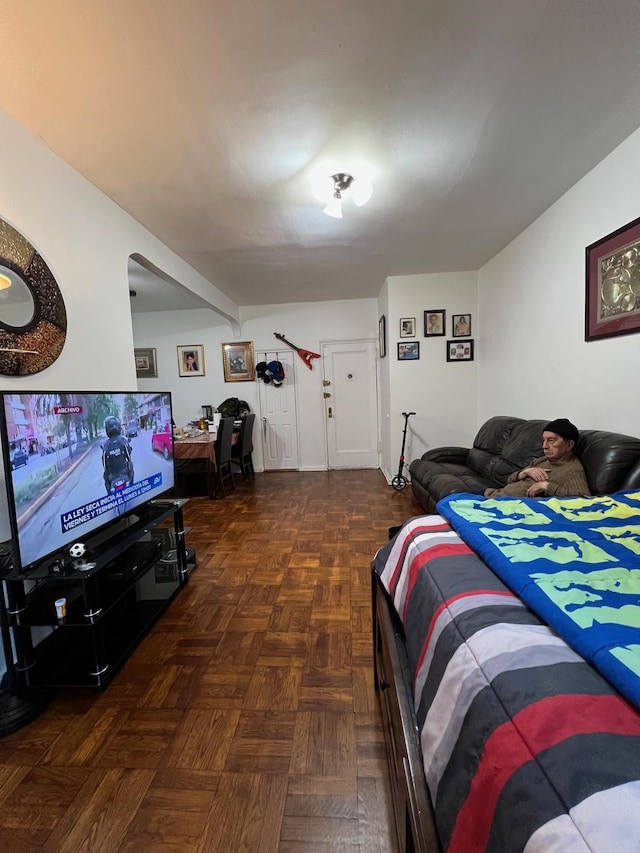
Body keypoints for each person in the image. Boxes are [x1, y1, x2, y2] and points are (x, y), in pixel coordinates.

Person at [484, 418, 590, 499]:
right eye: (544, 440)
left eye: (551, 440)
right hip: (493, 495)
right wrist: (523, 473)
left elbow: (585, 498)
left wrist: (547, 486)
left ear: (569, 445)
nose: (544, 446)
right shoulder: (543, 460)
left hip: (506, 505)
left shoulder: (572, 469)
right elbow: (509, 480)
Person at [101, 415, 134, 493]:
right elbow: (129, 456)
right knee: (131, 466)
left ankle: (110, 497)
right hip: (124, 471)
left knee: (105, 477)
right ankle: (132, 488)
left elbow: (104, 465)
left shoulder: (106, 445)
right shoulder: (123, 440)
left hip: (112, 475)